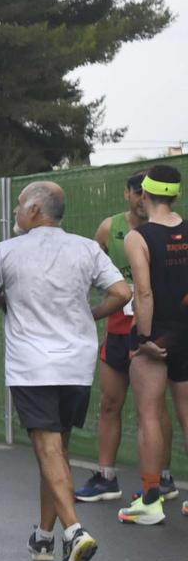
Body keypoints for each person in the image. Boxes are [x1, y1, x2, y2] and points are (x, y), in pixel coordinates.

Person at [0, 181, 130, 561]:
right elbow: (121, 291)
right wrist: (88, 315)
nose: (16, 213)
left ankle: (74, 532)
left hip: (32, 365)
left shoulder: (7, 251)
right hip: (77, 362)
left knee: (47, 447)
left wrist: (1, 300)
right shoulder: (85, 248)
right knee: (55, 448)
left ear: (36, 210)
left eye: (20, 206)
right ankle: (44, 536)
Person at [82, 170, 176, 504]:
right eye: (135, 191)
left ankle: (162, 479)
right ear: (127, 194)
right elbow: (90, 268)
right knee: (110, 403)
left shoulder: (167, 231)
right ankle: (106, 476)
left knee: (152, 409)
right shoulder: (111, 228)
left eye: (144, 192)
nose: (139, 197)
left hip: (152, 332)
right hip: (119, 330)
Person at [118, 164, 188, 525]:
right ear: (174, 194)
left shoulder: (137, 237)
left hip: (155, 332)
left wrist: (144, 339)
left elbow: (143, 292)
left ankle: (150, 499)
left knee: (149, 415)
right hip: (186, 330)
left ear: (144, 194)